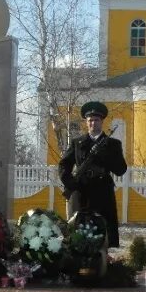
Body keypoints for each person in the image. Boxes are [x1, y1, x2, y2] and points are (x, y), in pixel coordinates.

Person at [58, 101, 128, 248]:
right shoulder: (77, 143)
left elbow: (121, 169)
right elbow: (64, 164)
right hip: (81, 192)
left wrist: (106, 157)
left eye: (96, 120)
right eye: (90, 120)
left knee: (104, 231)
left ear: (102, 121)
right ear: (86, 122)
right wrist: (70, 183)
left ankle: (105, 261)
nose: (93, 123)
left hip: (102, 192)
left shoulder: (112, 144)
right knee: (78, 229)